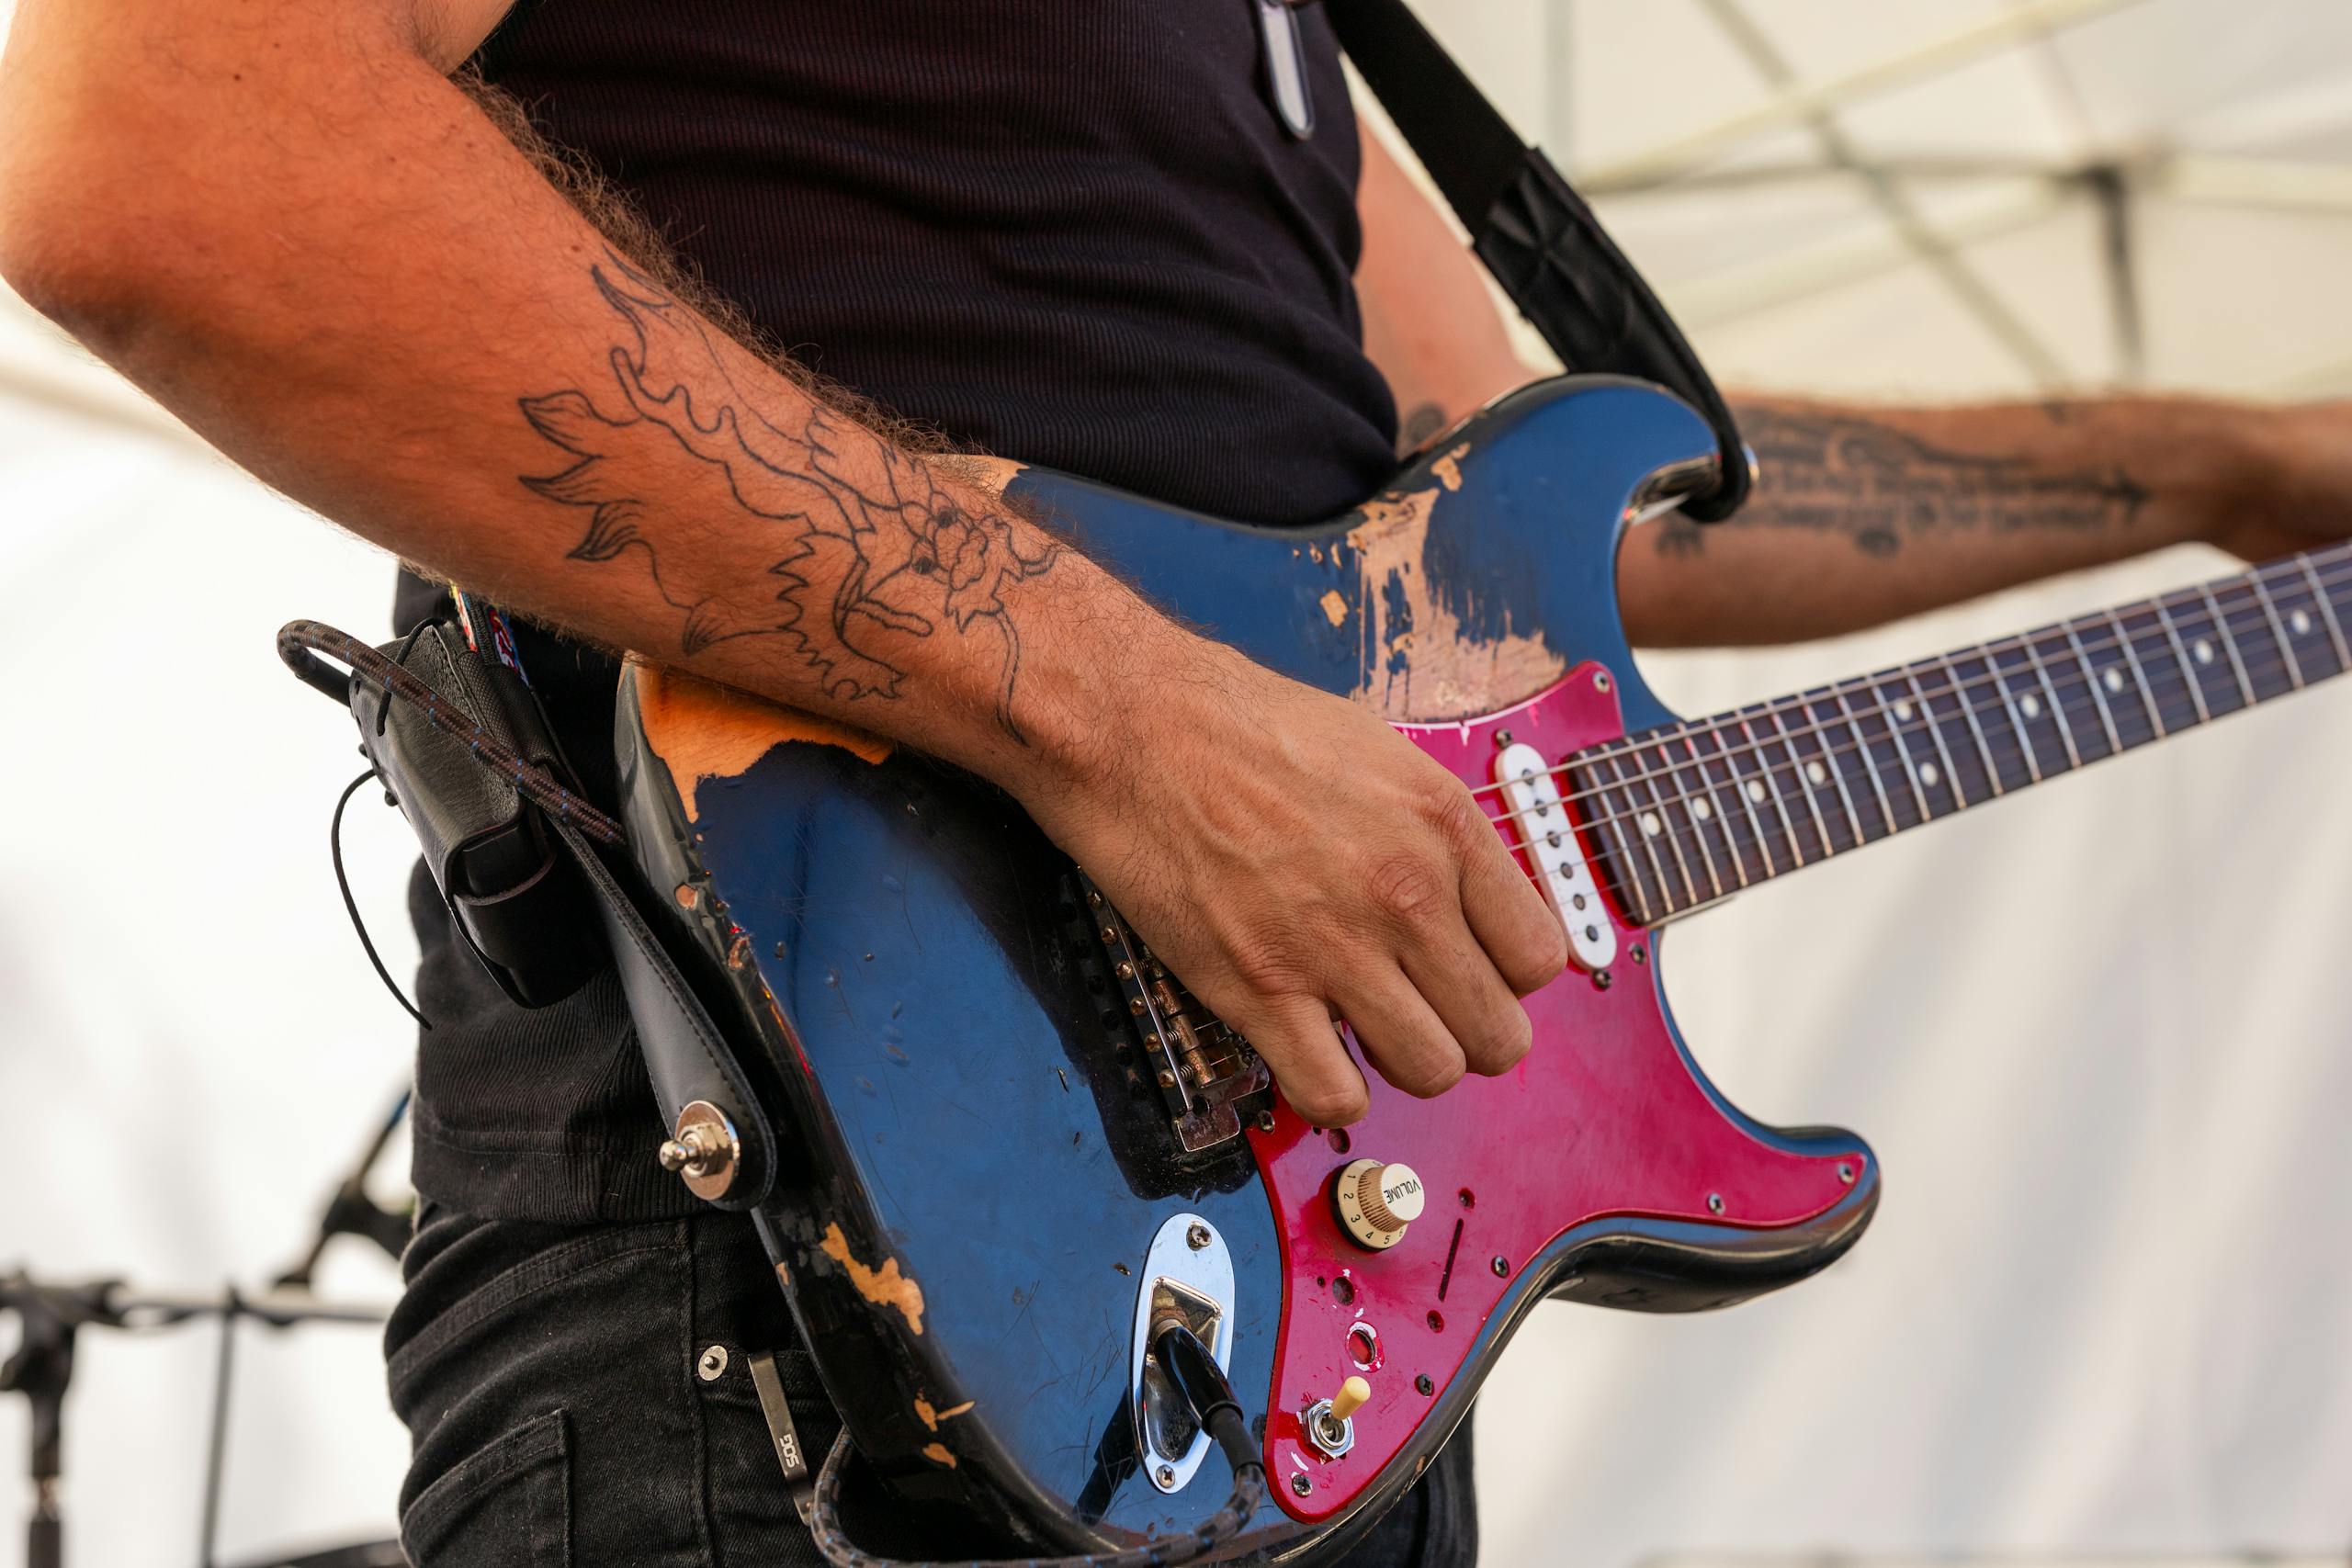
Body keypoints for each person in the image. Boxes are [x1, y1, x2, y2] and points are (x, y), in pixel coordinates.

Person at [2, 3, 2346, 1562]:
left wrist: (2230, 467)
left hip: (1304, 1340)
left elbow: (1545, 500)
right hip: (777, 1268)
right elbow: (156, 143)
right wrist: (1125, 719)